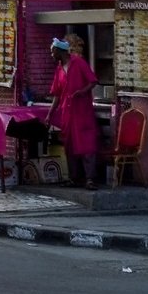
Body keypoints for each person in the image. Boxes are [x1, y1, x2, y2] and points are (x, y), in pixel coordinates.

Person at [48, 37, 99, 189]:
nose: (51, 55)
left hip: (82, 112)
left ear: (60, 51)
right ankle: (73, 178)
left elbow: (93, 81)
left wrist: (82, 92)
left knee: (87, 145)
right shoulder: (59, 69)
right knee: (69, 145)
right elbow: (57, 94)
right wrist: (50, 114)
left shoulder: (79, 63)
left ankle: (90, 179)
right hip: (67, 113)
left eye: (53, 52)